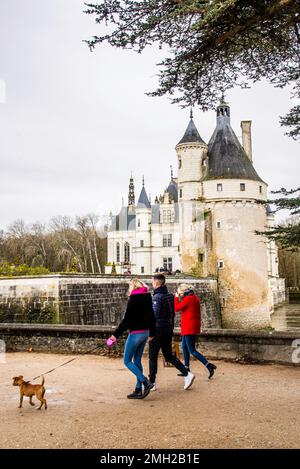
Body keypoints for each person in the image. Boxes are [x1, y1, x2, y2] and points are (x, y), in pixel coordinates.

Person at [108, 278, 156, 399]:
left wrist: (115, 336)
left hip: (135, 334)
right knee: (137, 360)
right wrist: (152, 333)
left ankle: (145, 382)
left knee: (127, 361)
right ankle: (138, 389)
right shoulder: (147, 297)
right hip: (145, 332)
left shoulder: (133, 300)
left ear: (132, 287)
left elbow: (126, 321)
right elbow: (151, 317)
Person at [148, 274, 195, 391]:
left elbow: (154, 316)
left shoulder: (157, 297)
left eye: (153, 282)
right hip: (168, 329)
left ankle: (152, 382)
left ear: (157, 283)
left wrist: (150, 334)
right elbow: (172, 313)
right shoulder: (169, 296)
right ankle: (187, 374)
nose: (152, 284)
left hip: (158, 330)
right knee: (168, 356)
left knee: (152, 356)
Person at [174, 284, 217, 379]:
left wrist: (176, 298)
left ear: (183, 292)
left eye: (180, 293)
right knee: (184, 348)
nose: (179, 295)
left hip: (189, 328)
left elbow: (176, 308)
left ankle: (208, 365)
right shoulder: (193, 297)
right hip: (188, 327)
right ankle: (186, 369)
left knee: (192, 350)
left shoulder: (188, 298)